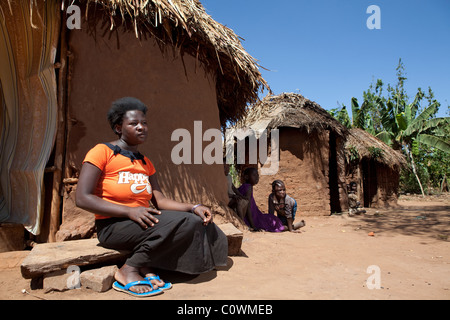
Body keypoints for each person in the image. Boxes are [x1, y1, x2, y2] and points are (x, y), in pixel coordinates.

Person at [75, 97, 228, 297]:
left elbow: (160, 201)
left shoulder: (146, 162)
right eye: (134, 123)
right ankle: (129, 269)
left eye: (144, 123)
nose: (142, 127)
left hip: (143, 221)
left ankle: (149, 264)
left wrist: (194, 206)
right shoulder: (102, 152)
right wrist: (129, 211)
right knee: (186, 223)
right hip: (113, 226)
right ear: (118, 128)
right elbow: (83, 198)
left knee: (197, 220)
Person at [237, 167, 285, 232]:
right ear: (246, 177)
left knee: (271, 219)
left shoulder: (243, 186)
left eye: (257, 175)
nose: (257, 177)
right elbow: (248, 207)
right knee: (272, 221)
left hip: (253, 216)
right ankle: (289, 227)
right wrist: (253, 225)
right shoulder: (248, 187)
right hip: (254, 218)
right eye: (254, 175)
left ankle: (289, 226)